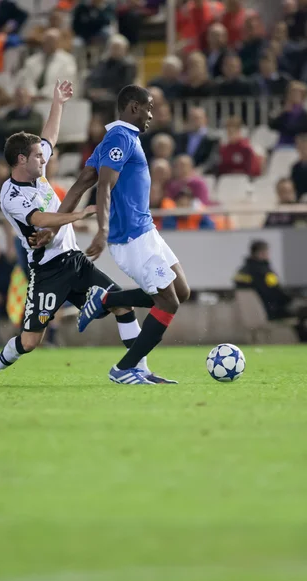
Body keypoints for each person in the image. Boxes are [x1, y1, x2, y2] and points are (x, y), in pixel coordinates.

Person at [0, 82, 173, 387]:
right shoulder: (10, 195)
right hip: (47, 271)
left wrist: (58, 103)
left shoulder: (36, 168)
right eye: (37, 157)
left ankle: (137, 370)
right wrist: (79, 214)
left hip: (74, 260)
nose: (44, 159)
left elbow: (50, 136)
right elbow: (41, 219)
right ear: (21, 160)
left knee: (121, 305)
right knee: (31, 340)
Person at [54, 85, 190, 385]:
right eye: (148, 107)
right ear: (132, 107)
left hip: (146, 231)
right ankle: (125, 368)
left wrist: (53, 226)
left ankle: (106, 299)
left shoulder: (116, 139)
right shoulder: (118, 137)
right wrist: (101, 231)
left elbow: (79, 185)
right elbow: (102, 186)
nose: (151, 115)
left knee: (181, 291)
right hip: (132, 238)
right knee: (168, 302)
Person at [234, 240, 307, 343]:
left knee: (297, 315)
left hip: (258, 314)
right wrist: (292, 297)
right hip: (273, 312)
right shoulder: (264, 271)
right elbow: (275, 293)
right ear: (262, 253)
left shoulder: (242, 272)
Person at [16, 29, 77, 99]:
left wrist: (42, 95)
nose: (49, 43)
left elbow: (64, 82)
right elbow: (27, 80)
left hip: (54, 99)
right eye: (47, 40)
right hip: (31, 99)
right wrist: (33, 94)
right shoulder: (31, 61)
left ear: (58, 42)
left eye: (52, 41)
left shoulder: (68, 60)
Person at [269, 80, 307, 145]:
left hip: (299, 145)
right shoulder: (281, 109)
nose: (293, 96)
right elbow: (272, 126)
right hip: (282, 144)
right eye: (291, 93)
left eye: (297, 93)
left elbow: (301, 129)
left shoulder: (305, 113)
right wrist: (283, 113)